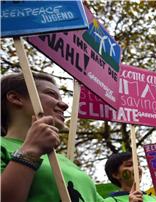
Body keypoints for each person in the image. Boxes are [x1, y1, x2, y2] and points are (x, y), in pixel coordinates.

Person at [1, 72, 103, 201]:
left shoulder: (65, 161)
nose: (64, 105)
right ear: (15, 98)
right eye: (51, 94)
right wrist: (31, 150)